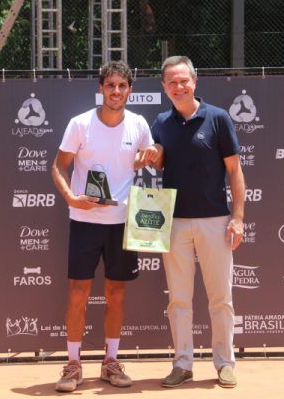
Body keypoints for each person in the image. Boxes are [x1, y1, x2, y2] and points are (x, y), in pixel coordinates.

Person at [51, 61, 162, 392]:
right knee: (78, 294)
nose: (116, 91)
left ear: (130, 90)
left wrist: (151, 154)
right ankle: (73, 365)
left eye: (122, 86)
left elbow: (151, 154)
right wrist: (71, 198)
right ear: (100, 88)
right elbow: (58, 166)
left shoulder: (139, 124)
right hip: (85, 221)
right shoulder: (80, 124)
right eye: (110, 85)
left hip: (123, 223)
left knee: (116, 294)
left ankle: (110, 362)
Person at [150, 56, 245, 388]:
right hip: (173, 221)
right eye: (172, 82)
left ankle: (224, 362)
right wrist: (151, 153)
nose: (178, 87)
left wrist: (238, 218)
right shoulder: (160, 122)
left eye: (183, 81)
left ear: (194, 81)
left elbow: (234, 171)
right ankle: (183, 362)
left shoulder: (218, 118)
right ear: (164, 87)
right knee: (178, 299)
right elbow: (158, 161)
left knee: (221, 297)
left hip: (215, 221)